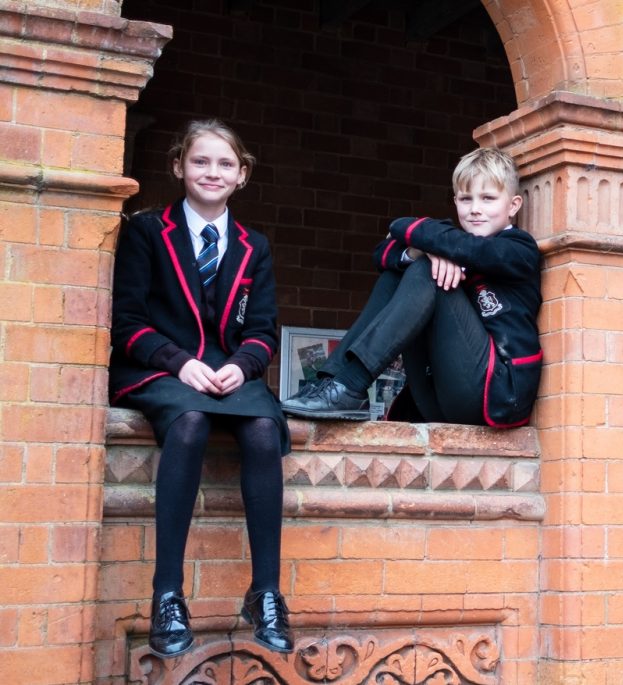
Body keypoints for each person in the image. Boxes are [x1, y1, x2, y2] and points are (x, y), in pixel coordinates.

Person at [109, 119, 292, 656]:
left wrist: (243, 364)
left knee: (262, 429)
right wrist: (178, 362)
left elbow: (262, 330)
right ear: (178, 167)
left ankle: (266, 593)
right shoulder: (147, 232)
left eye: (224, 164)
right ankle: (167, 594)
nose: (212, 172)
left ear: (242, 175)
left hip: (229, 375)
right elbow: (125, 321)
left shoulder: (252, 246)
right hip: (162, 370)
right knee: (189, 424)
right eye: (200, 161)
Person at [281, 148, 540, 428]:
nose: (475, 208)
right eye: (466, 199)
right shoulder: (453, 245)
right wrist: (422, 251)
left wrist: (426, 245)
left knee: (428, 269)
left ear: (513, 205)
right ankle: (334, 382)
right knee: (404, 270)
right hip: (436, 396)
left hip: (496, 395)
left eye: (488, 198)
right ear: (455, 202)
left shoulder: (520, 248)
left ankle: (351, 384)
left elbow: (463, 247)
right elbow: (383, 254)